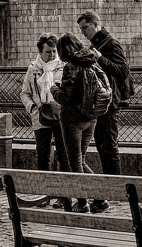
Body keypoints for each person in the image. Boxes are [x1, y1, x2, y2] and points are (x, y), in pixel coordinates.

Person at [77, 9, 132, 214]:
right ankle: (111, 186)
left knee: (109, 144)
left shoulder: (110, 44)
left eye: (85, 28)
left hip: (111, 102)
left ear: (96, 24)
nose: (83, 32)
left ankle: (116, 187)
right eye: (81, 29)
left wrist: (99, 58)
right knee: (101, 143)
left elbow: (122, 70)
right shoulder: (97, 44)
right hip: (102, 102)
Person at [50, 32, 99, 214]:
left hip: (73, 119)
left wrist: (54, 89)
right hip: (91, 117)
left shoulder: (70, 67)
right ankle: (100, 199)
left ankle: (83, 203)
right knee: (81, 159)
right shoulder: (91, 62)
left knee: (75, 163)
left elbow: (65, 97)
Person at [20, 33, 64, 184]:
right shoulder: (33, 69)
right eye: (48, 51)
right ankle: (45, 192)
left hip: (60, 115)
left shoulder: (62, 67)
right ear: (40, 52)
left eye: (54, 51)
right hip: (40, 115)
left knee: (64, 156)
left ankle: (63, 194)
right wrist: (32, 107)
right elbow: (25, 93)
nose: (52, 55)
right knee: (43, 155)